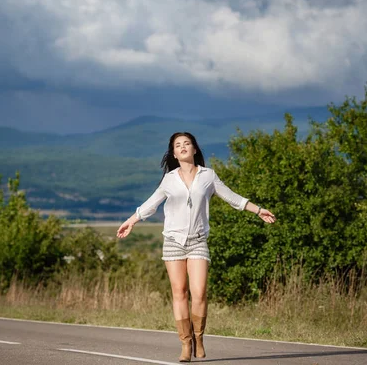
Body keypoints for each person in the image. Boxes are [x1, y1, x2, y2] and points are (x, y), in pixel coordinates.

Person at [117, 132, 276, 362]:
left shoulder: (208, 176)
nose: (182, 147)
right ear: (174, 153)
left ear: (194, 149)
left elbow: (232, 198)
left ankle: (199, 337)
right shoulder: (169, 179)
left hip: (198, 241)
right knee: (179, 292)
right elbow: (151, 204)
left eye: (187, 144)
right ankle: (185, 343)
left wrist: (258, 209)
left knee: (199, 293)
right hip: (173, 241)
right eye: (178, 145)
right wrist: (131, 221)